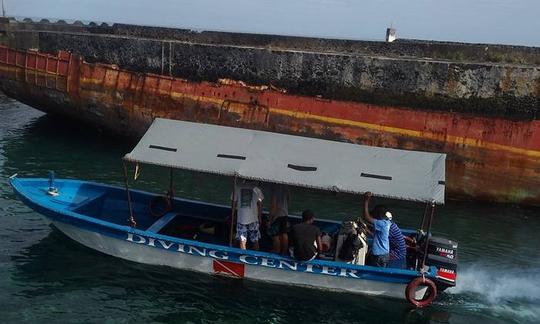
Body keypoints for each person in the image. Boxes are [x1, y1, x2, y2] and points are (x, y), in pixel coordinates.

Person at [362, 192, 391, 267]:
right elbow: (379, 237)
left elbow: (366, 217)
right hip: (384, 255)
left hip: (379, 256)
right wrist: (367, 230)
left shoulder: (381, 223)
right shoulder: (387, 223)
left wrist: (366, 200)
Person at [233, 180, 264, 250]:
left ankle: (243, 256)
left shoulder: (238, 187)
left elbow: (233, 203)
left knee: (242, 240)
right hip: (254, 218)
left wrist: (233, 215)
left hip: (241, 218)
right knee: (255, 240)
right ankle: (256, 255)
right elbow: (260, 204)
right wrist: (260, 217)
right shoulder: (257, 189)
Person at [267, 184, 290, 255]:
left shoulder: (274, 188)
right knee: (284, 234)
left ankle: (276, 251)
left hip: (277, 214)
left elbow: (274, 205)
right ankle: (284, 252)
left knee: (275, 235)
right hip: (285, 213)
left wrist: (270, 219)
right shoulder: (285, 186)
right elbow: (288, 198)